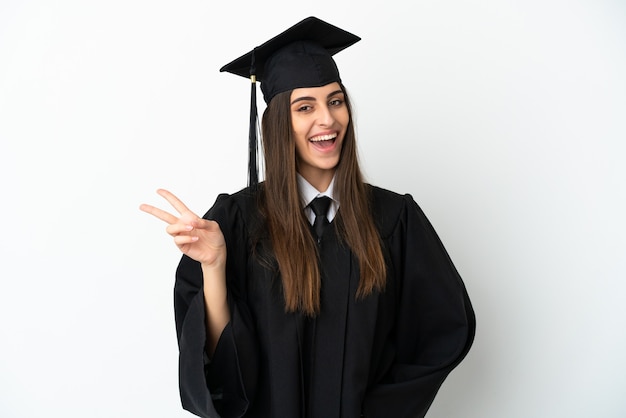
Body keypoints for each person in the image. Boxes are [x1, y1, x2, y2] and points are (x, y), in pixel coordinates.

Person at [140, 16, 475, 418]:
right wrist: (213, 266)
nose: (327, 120)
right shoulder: (237, 221)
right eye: (305, 107)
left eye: (335, 101)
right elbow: (219, 366)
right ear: (280, 122)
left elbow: (444, 332)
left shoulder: (394, 219)